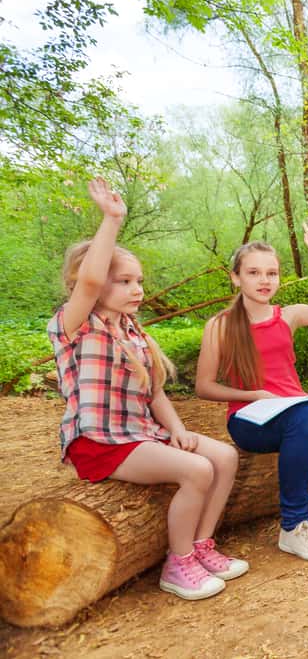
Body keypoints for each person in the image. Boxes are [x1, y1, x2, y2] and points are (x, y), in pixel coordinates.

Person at [50, 178, 246, 600]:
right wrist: (112, 219)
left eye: (138, 281)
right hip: (99, 442)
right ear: (89, 282)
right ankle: (178, 563)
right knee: (197, 470)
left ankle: (201, 544)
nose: (137, 289)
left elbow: (155, 394)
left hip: (142, 434)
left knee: (225, 457)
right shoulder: (77, 325)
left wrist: (177, 429)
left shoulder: (135, 332)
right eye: (123, 281)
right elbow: (89, 283)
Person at [196, 214, 308, 562]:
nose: (264, 280)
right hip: (251, 419)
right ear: (236, 277)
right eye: (254, 272)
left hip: (297, 412)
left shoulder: (288, 315)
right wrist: (253, 395)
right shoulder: (220, 326)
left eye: (271, 273)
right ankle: (294, 525)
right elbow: (204, 386)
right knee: (306, 415)